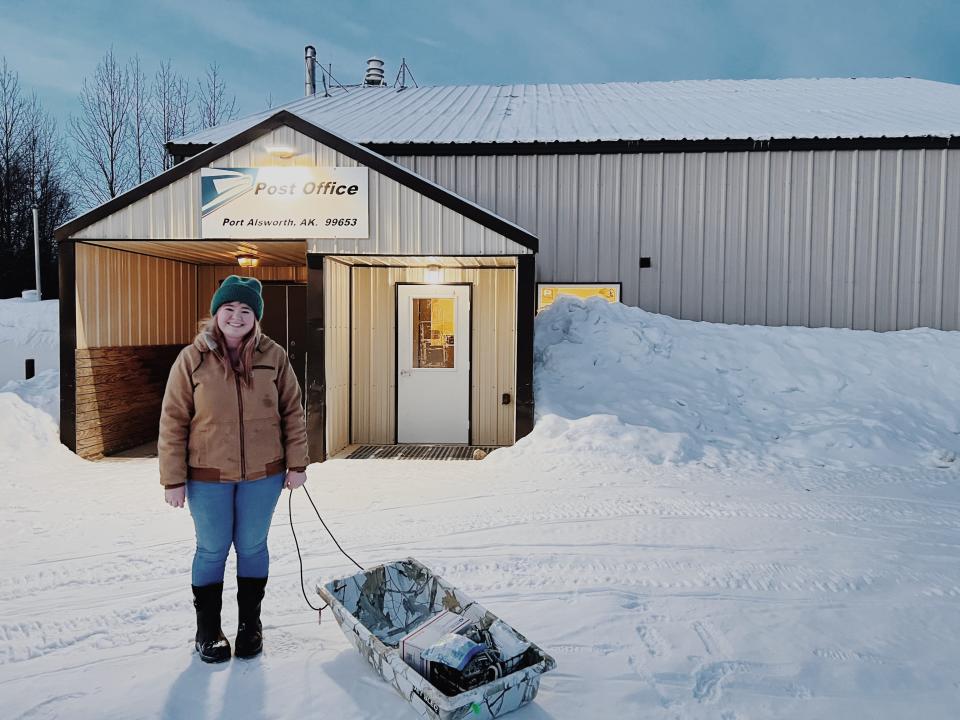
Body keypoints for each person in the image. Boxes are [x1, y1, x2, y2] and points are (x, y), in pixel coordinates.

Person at [158, 275, 309, 663]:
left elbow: (292, 411)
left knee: (253, 546)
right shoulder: (192, 358)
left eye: (245, 310)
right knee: (212, 549)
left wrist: (297, 462)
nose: (236, 316)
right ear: (216, 314)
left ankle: (249, 626)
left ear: (255, 317)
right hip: (207, 475)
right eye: (229, 309)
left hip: (265, 474)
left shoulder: (273, 356)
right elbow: (173, 420)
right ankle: (208, 630)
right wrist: (172, 478)